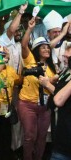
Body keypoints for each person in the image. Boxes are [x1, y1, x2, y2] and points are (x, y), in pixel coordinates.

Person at [18, 17, 57, 160]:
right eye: (43, 47)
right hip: (27, 105)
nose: (47, 48)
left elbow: (54, 86)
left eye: (48, 47)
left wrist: (51, 80)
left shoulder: (53, 68)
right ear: (36, 49)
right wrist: (29, 28)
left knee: (42, 138)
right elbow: (23, 45)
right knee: (29, 136)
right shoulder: (30, 60)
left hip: (45, 107)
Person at [51, 44, 71, 160]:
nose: (65, 59)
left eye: (68, 57)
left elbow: (58, 100)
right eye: (65, 56)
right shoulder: (65, 72)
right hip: (63, 137)